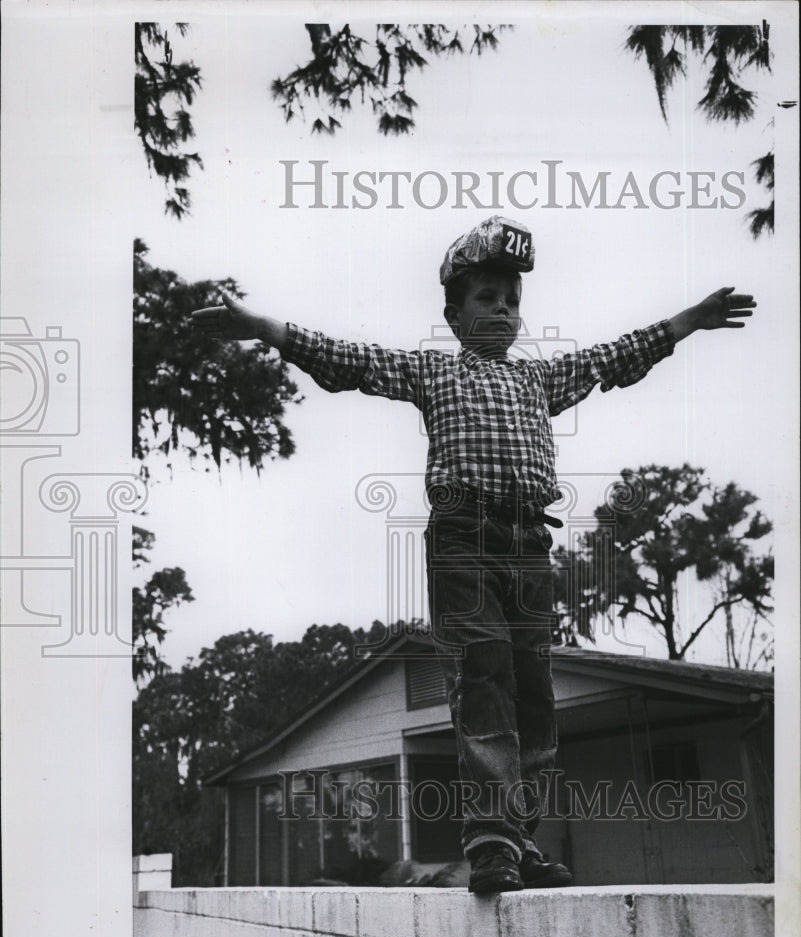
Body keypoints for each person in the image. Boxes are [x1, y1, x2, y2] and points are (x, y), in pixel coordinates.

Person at [191, 215, 756, 894]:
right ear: (453, 315)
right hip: (464, 538)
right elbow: (349, 360)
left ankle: (517, 842)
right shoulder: (431, 371)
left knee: (533, 694)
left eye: (512, 301)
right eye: (486, 299)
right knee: (482, 675)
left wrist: (686, 321)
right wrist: (262, 327)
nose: (502, 311)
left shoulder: (538, 382)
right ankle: (488, 842)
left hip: (528, 544)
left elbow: (614, 357)